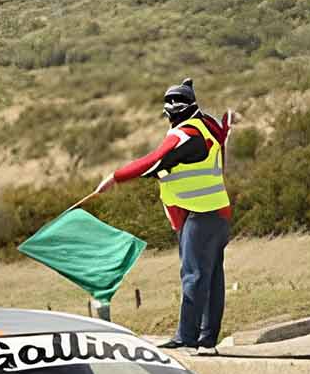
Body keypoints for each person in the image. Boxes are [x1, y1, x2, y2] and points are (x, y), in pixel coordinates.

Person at [94, 78, 234, 354]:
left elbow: (156, 160)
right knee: (211, 278)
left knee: (194, 276)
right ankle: (206, 341)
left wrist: (115, 177)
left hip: (201, 214)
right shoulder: (206, 127)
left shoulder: (186, 134)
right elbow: (169, 164)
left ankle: (187, 339)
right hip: (215, 213)